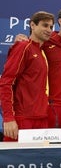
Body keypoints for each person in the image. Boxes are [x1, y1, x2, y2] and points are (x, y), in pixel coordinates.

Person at [14, 7, 61, 130]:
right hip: (50, 105)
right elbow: (30, 48)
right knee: (49, 146)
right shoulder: (46, 41)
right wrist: (19, 40)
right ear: (60, 22)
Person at [0, 11, 54, 141]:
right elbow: (6, 83)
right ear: (33, 25)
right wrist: (8, 118)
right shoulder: (23, 47)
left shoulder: (42, 51)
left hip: (41, 119)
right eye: (45, 25)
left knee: (38, 161)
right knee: (14, 161)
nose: (48, 30)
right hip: (22, 119)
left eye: (51, 27)